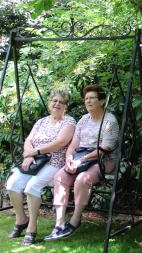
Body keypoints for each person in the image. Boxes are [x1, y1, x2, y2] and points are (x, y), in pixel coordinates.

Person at [45, 84, 120, 241]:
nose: (88, 101)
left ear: (101, 101)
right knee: (60, 177)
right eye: (86, 99)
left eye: (92, 98)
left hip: (103, 160)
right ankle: (59, 224)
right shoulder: (84, 120)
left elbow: (105, 148)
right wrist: (69, 159)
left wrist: (81, 160)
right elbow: (74, 144)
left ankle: (75, 220)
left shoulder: (109, 120)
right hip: (80, 157)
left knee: (82, 179)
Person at [4, 88, 76, 246]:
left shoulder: (69, 122)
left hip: (54, 162)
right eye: (54, 101)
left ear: (66, 106)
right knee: (12, 184)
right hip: (35, 161)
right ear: (50, 103)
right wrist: (29, 156)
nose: (57, 104)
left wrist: (35, 152)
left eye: (61, 102)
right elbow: (29, 140)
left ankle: (32, 227)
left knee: (32, 187)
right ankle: (21, 219)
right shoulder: (41, 122)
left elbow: (61, 142)